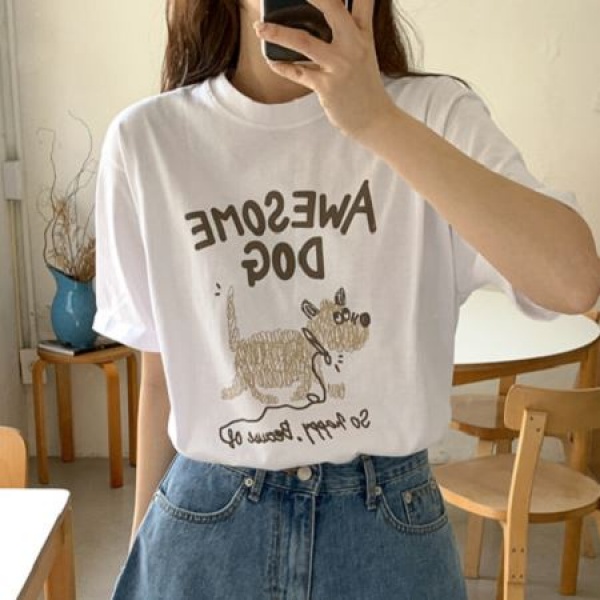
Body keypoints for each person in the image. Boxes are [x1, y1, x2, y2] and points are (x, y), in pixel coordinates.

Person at [93, 0, 600, 598]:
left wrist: (376, 121)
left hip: (387, 529)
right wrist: (142, 551)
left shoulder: (432, 115)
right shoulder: (148, 140)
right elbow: (160, 379)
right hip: (206, 521)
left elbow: (573, 281)